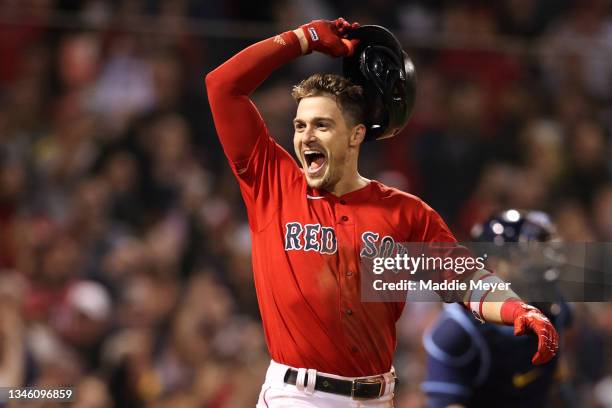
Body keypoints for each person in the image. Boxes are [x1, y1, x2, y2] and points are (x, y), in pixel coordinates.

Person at [205, 18, 558, 407]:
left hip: (379, 396)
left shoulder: (406, 213)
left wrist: (515, 308)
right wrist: (300, 40)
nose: (306, 136)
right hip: (298, 396)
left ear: (356, 135)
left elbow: (465, 277)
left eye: (322, 125)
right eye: (299, 125)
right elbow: (223, 86)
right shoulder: (272, 185)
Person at [422, 210, 572, 408]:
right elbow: (448, 403)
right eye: (524, 255)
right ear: (494, 264)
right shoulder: (457, 330)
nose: (539, 262)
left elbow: (555, 378)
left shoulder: (553, 303)